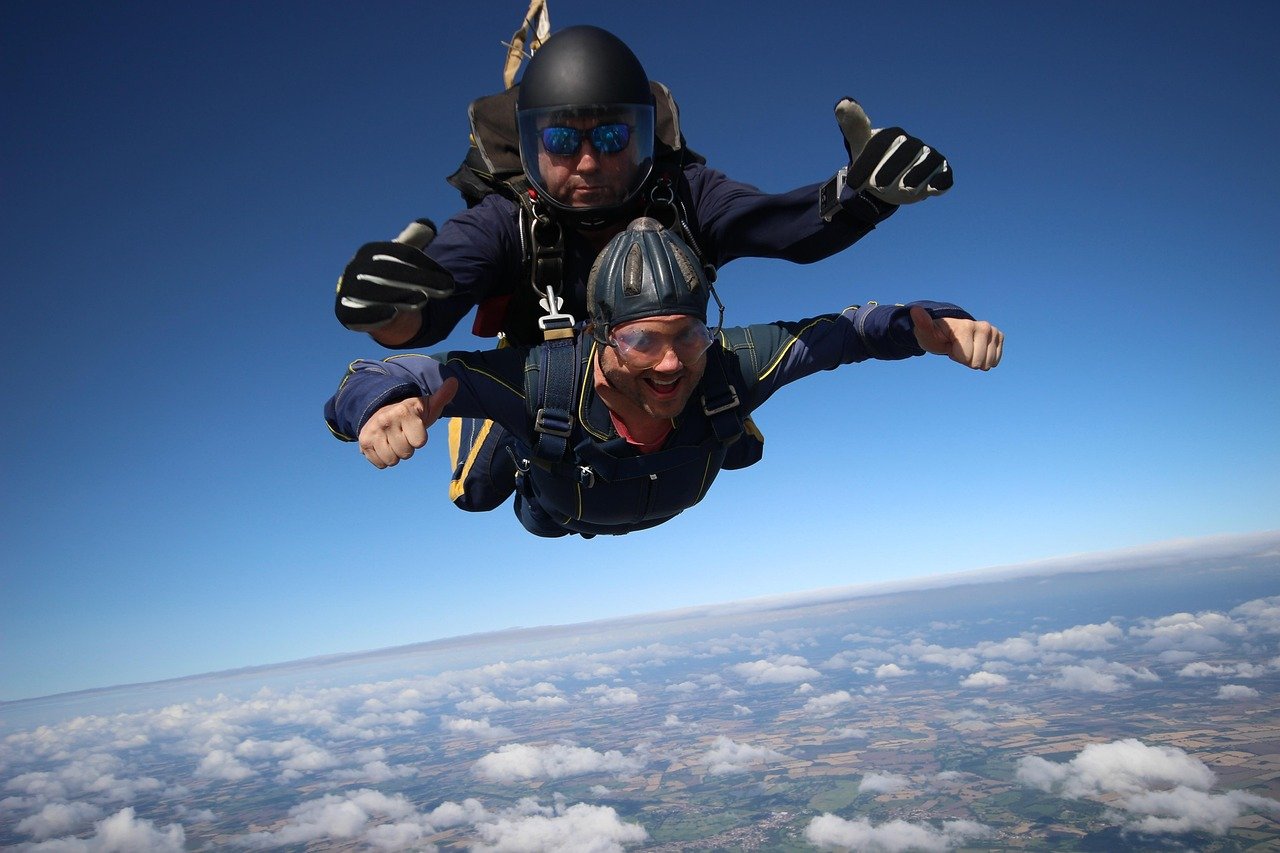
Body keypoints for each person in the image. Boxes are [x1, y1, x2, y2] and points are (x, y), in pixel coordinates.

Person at [331, 24, 953, 513]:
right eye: (559, 141)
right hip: (543, 374)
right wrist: (395, 311)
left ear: (644, 139)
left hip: (659, 366)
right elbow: (437, 292)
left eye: (609, 139)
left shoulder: (684, 194)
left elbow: (777, 226)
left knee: (728, 435)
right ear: (527, 149)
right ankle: (508, 433)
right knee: (484, 492)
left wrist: (861, 196)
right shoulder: (507, 219)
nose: (587, 163)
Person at [325, 219, 1002, 539]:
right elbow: (387, 372)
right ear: (598, 335)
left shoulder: (728, 362)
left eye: (689, 334)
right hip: (560, 489)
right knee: (487, 498)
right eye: (642, 339)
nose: (672, 361)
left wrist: (928, 324)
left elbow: (845, 332)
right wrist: (382, 402)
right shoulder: (542, 378)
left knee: (732, 424)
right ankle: (493, 429)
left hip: (637, 482)